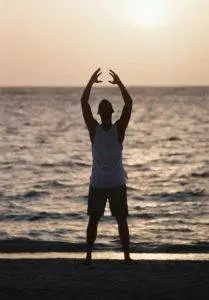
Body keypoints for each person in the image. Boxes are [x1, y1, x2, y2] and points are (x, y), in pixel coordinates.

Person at [81, 68, 133, 264]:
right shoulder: (118, 129)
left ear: (100, 114)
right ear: (111, 112)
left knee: (94, 220)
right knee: (120, 220)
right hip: (115, 183)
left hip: (100, 184)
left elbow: (83, 103)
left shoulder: (94, 130)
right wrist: (119, 83)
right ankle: (126, 257)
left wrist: (90, 82)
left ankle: (88, 256)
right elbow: (129, 104)